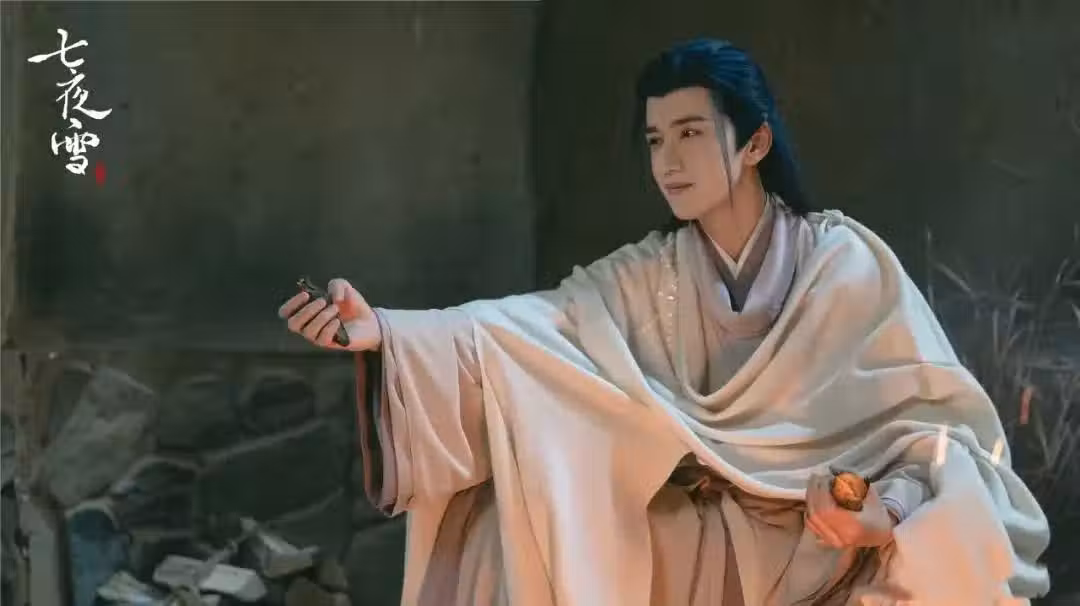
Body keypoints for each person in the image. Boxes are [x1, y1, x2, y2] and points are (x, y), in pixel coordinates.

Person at [278, 39, 1050, 605]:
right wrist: (386, 332)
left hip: (813, 529)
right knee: (498, 528)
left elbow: (933, 431)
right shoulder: (650, 273)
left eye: (690, 133)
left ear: (754, 142)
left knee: (947, 543)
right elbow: (524, 331)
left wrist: (883, 512)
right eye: (655, 140)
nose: (668, 161)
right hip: (697, 521)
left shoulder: (841, 263)